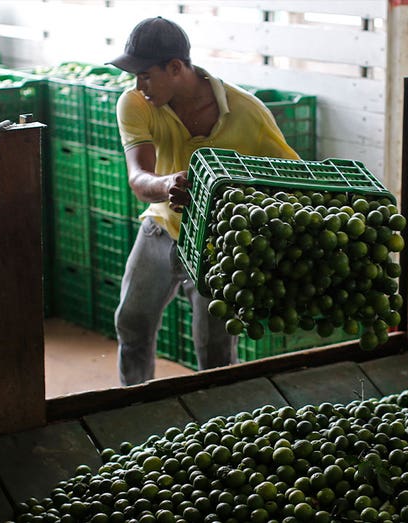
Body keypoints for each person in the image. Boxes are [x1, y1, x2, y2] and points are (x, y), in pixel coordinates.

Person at [108, 16, 299, 386]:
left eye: (145, 75)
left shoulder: (248, 113)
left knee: (214, 350)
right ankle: (130, 402)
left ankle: (217, 422)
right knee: (131, 323)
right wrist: (165, 185)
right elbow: (138, 176)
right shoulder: (136, 103)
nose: (138, 85)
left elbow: (288, 178)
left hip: (220, 246)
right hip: (161, 229)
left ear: (175, 68)